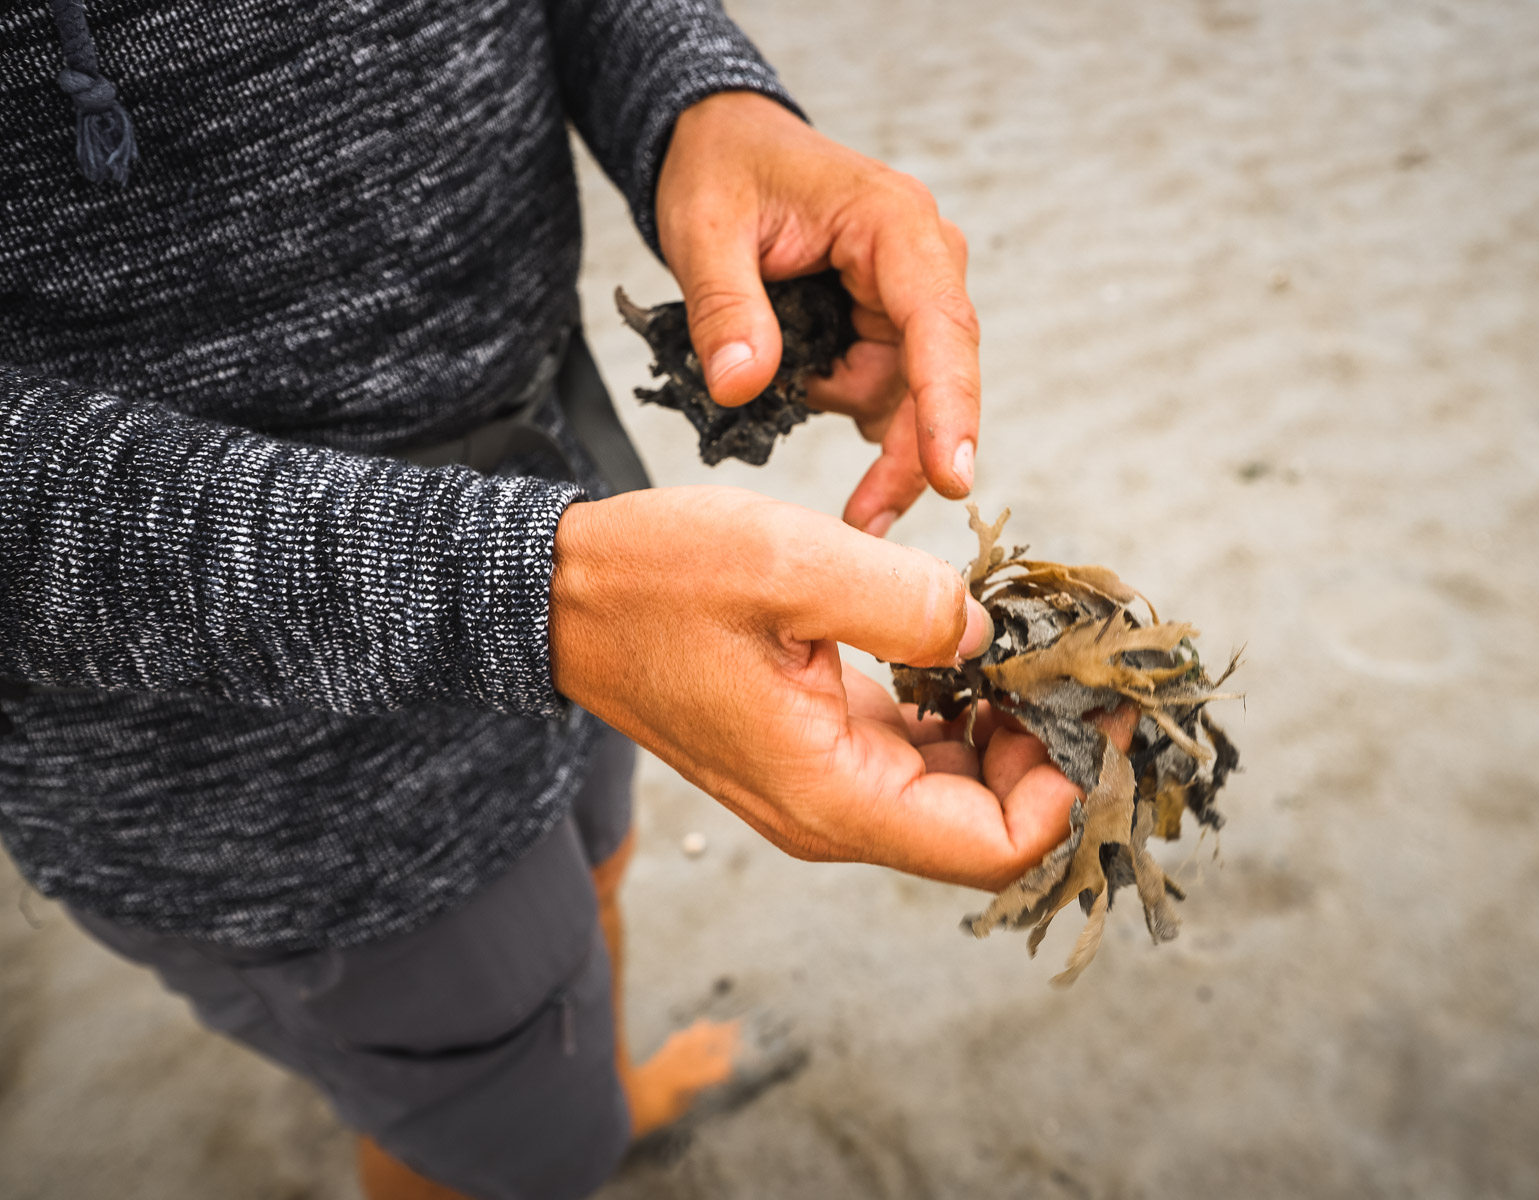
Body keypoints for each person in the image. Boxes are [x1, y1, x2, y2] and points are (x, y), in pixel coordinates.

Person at [0, 2, 1080, 1197]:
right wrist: (527, 591)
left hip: (588, 526)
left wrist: (698, 103)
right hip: (288, 781)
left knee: (589, 873)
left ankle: (605, 1091)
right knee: (507, 1142)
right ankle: (561, 1137)